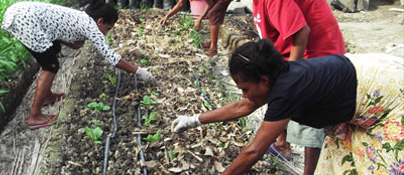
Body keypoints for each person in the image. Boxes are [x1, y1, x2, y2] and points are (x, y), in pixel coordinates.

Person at [172, 39, 404, 175]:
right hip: (369, 77)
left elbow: (254, 151)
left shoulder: (286, 91)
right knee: (338, 163)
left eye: (245, 88)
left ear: (264, 80)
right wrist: (193, 120)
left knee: (386, 164)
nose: (244, 95)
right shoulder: (281, 77)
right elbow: (242, 106)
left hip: (391, 93)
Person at [215, 0, 346, 174]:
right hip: (301, 51)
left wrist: (292, 76)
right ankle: (282, 144)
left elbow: (301, 33)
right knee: (283, 96)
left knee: (309, 121)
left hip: (318, 53)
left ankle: (309, 171)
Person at [1, 0, 155, 130]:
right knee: (51, 65)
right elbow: (111, 57)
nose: (106, 33)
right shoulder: (91, 27)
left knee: (53, 51)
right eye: (107, 29)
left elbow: (57, 29)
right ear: (100, 21)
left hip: (20, 11)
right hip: (25, 19)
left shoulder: (81, 15)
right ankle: (34, 116)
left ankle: (47, 96)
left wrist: (73, 44)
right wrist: (139, 71)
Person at [159, 0, 236, 57]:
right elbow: (180, 4)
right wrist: (167, 16)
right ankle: (212, 43)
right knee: (214, 14)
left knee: (213, 13)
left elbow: (209, 3)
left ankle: (213, 49)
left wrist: (199, 19)